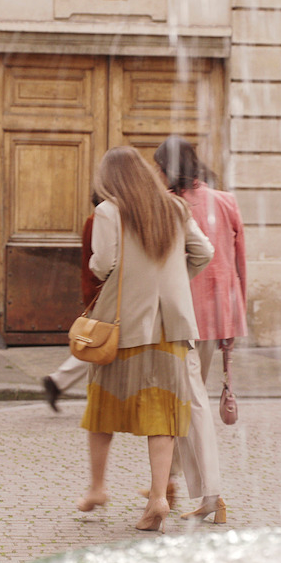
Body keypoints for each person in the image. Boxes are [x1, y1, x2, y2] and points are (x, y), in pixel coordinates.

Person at [76, 146, 213, 532]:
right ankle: (157, 498)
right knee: (163, 414)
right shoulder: (175, 208)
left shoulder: (108, 212)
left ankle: (98, 487)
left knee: (102, 407)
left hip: (123, 326)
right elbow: (204, 252)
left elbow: (104, 265)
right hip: (170, 326)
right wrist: (172, 280)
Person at [153, 137, 246, 524]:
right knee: (189, 402)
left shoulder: (171, 207)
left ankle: (190, 488)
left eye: (159, 167)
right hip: (219, 313)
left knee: (187, 404)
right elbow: (239, 263)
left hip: (184, 317)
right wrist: (236, 320)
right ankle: (173, 483)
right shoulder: (225, 200)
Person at [43, 194, 104, 412]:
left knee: (100, 343)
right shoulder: (98, 221)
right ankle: (58, 380)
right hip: (102, 291)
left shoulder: (96, 220)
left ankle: (59, 381)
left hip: (98, 289)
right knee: (101, 343)